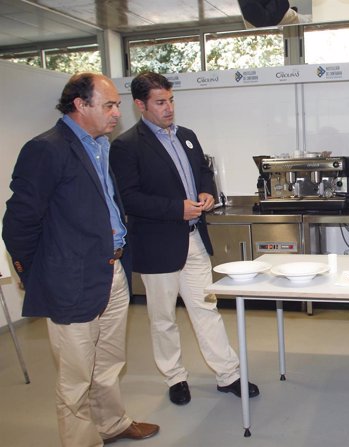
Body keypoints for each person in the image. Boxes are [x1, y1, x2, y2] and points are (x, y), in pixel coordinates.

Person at [2, 73, 159, 446]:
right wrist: (35, 273)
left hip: (112, 269)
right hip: (71, 280)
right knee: (75, 378)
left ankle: (112, 423)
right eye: (108, 105)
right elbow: (18, 223)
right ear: (80, 105)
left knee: (108, 363)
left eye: (117, 105)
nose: (116, 113)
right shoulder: (46, 149)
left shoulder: (101, 146)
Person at [110, 72, 259, 405]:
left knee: (207, 309)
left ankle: (228, 374)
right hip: (157, 244)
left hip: (194, 240)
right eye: (160, 102)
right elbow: (128, 198)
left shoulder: (187, 136)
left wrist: (207, 192)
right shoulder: (126, 146)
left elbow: (202, 171)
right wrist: (176, 209)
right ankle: (175, 377)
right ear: (140, 105)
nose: (168, 108)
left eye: (171, 100)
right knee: (163, 318)